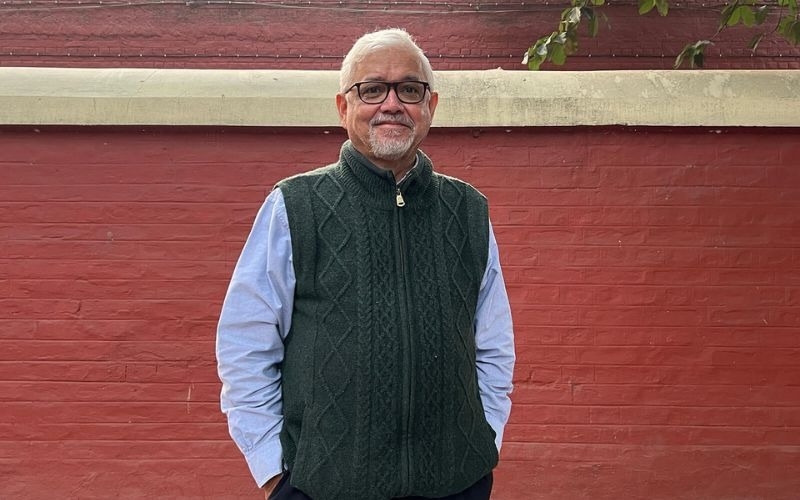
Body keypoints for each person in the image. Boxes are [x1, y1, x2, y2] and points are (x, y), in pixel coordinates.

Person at [216, 28, 515, 500]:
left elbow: (494, 344)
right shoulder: (295, 206)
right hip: (321, 486)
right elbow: (245, 344)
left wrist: (486, 436)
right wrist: (272, 469)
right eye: (372, 89)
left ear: (431, 105)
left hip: (457, 482)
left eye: (409, 89)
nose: (391, 104)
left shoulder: (467, 210)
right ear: (343, 107)